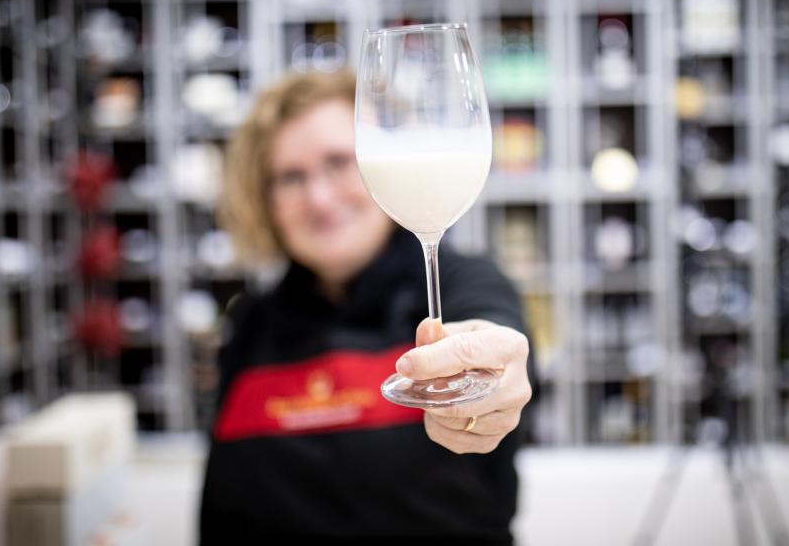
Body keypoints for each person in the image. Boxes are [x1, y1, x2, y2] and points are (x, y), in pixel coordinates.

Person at [199, 70, 536, 544]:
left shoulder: (462, 282)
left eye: (339, 162)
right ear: (264, 200)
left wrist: (489, 382)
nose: (319, 198)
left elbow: (495, 332)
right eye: (291, 178)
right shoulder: (252, 322)